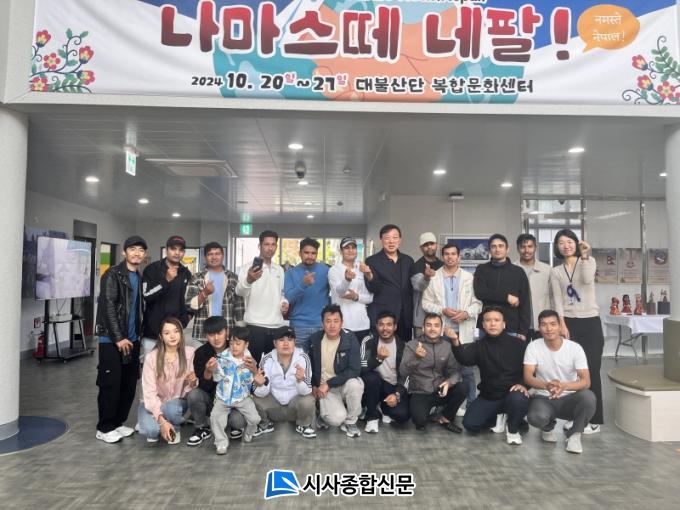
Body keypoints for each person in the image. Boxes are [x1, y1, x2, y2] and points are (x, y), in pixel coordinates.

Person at [550, 229, 604, 433]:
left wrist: (585, 256)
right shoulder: (556, 271)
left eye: (570, 241)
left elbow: (588, 279)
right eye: (561, 242)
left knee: (591, 370)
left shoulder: (588, 262)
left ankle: (594, 420)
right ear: (557, 247)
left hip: (590, 322)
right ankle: (576, 416)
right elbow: (558, 300)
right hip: (569, 323)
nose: (566, 246)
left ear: (577, 243)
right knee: (572, 372)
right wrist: (561, 324)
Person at [95, 236, 147, 443]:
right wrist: (118, 338)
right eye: (132, 249)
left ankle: (117, 423)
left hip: (132, 340)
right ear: (124, 252)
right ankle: (104, 427)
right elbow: (108, 306)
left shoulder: (139, 277)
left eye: (140, 250)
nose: (136, 253)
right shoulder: (112, 274)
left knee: (128, 385)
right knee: (111, 384)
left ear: (144, 254)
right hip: (112, 341)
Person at [451, 306, 529, 445]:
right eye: (488, 320)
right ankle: (502, 415)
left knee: (518, 398)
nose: (492, 324)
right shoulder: (479, 345)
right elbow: (465, 359)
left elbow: (530, 370)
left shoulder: (518, 344)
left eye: (497, 320)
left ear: (503, 324)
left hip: (513, 393)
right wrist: (455, 342)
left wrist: (523, 384)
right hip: (490, 396)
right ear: (483, 324)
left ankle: (513, 428)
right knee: (470, 424)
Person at [524, 309, 596, 454]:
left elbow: (586, 381)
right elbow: (528, 377)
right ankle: (547, 427)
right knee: (535, 417)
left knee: (588, 397)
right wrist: (546, 385)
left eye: (553, 324)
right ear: (539, 327)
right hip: (544, 397)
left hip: (569, 397)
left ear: (560, 326)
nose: (549, 328)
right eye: (544, 324)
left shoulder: (574, 348)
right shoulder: (533, 346)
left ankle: (574, 435)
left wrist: (564, 386)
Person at [422, 242, 482, 406]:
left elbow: (478, 304)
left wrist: (466, 313)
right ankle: (444, 405)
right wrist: (442, 310)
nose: (450, 257)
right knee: (441, 369)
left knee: (467, 370)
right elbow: (425, 303)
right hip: (442, 331)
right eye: (446, 254)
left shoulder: (470, 278)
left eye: (453, 254)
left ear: (459, 257)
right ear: (442, 257)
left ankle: (471, 403)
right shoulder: (434, 277)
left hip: (464, 331)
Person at [185, 316, 247, 447]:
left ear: (227, 332)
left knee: (237, 421)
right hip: (212, 401)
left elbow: (246, 380)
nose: (216, 338)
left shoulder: (237, 348)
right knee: (194, 394)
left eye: (219, 333)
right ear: (206, 336)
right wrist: (208, 372)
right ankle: (202, 427)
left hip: (234, 402)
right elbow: (203, 387)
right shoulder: (201, 353)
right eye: (211, 334)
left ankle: (232, 424)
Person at [400, 313, 466, 433]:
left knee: (463, 387)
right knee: (420, 423)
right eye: (429, 325)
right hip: (420, 391)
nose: (432, 329)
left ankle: (445, 417)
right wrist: (416, 358)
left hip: (440, 390)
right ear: (423, 328)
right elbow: (403, 372)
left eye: (436, 325)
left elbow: (456, 371)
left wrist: (449, 382)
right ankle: (432, 410)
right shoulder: (412, 345)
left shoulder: (447, 346)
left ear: (441, 329)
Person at [137, 317, 198, 444]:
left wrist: (192, 381)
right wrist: (162, 421)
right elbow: (149, 393)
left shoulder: (190, 353)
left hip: (176, 404)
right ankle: (162, 423)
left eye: (176, 331)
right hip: (154, 403)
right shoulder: (152, 357)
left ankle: (175, 427)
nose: (172, 336)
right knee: (151, 432)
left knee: (171, 409)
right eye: (167, 333)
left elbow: (192, 389)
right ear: (161, 336)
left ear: (181, 333)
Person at [309, 304, 364, 438]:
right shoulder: (315, 339)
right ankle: (323, 413)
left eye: (336, 321)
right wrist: (314, 385)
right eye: (328, 321)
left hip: (343, 383)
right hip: (325, 388)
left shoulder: (350, 338)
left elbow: (355, 369)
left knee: (356, 385)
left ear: (342, 323)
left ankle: (351, 421)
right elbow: (309, 365)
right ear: (322, 324)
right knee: (336, 419)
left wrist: (329, 383)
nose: (332, 325)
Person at [253, 326, 317, 439]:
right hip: (274, 407)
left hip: (295, 407)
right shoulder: (267, 359)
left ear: (295, 342)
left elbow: (307, 390)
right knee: (255, 398)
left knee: (308, 399)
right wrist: (261, 384)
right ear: (275, 343)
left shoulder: (303, 357)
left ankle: (303, 424)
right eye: (281, 340)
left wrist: (300, 380)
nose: (286, 344)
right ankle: (265, 424)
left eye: (290, 340)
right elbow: (261, 393)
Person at [236, 230, 288, 364]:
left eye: (273, 245)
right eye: (266, 244)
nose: (270, 248)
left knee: (274, 367)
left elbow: (281, 294)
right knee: (252, 366)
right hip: (255, 326)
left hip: (276, 326)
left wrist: (284, 303)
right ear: (259, 246)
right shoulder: (247, 268)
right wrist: (249, 279)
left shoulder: (279, 269)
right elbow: (239, 292)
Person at [210, 326, 261, 455]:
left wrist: (251, 371)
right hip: (223, 397)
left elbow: (250, 383)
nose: (234, 346)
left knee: (255, 419)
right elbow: (217, 378)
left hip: (243, 397)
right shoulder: (222, 358)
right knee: (215, 417)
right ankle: (221, 443)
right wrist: (214, 369)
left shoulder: (250, 361)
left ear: (246, 344)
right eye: (232, 343)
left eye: (238, 343)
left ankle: (249, 433)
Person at [141, 235, 192, 359]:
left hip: (175, 333)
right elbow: (146, 295)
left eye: (181, 250)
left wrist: (185, 320)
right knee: (150, 366)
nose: (177, 253)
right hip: (152, 332)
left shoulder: (186, 273)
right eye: (173, 249)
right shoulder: (152, 269)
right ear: (166, 250)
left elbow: (188, 300)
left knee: (173, 367)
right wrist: (166, 280)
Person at [359, 311, 410, 433]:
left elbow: (407, 375)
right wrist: (378, 359)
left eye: (389, 325)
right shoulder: (369, 340)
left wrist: (397, 394)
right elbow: (361, 367)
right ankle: (372, 417)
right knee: (372, 378)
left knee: (402, 416)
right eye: (381, 324)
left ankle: (382, 407)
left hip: (392, 387)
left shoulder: (403, 346)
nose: (385, 328)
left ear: (395, 327)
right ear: (376, 326)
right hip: (373, 385)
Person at [473, 234, 531, 340]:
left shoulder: (518, 272)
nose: (497, 249)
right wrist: (506, 297)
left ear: (507, 249)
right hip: (486, 327)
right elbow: (480, 292)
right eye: (493, 246)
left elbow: (525, 303)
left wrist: (523, 331)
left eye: (501, 246)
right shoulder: (482, 269)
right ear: (489, 250)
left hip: (511, 327)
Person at [185, 242, 244, 345]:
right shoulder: (197, 278)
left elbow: (239, 306)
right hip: (202, 334)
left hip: (227, 333)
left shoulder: (233, 278)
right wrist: (204, 293)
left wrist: (239, 331)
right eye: (210, 254)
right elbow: (189, 305)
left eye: (217, 254)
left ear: (223, 256)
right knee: (201, 356)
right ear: (205, 257)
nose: (214, 257)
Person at [364, 224, 415, 341]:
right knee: (382, 348)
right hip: (383, 316)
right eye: (387, 238)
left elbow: (412, 288)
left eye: (395, 237)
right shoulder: (372, 261)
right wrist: (370, 276)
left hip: (405, 316)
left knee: (404, 348)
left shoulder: (408, 260)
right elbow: (374, 288)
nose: (391, 241)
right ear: (381, 240)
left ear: (400, 240)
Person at [284, 238, 330, 352]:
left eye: (313, 253)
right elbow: (288, 298)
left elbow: (337, 292)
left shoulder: (326, 271)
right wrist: (303, 284)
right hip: (298, 326)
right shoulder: (290, 273)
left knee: (320, 361)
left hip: (321, 325)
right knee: (297, 360)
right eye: (306, 253)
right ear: (300, 253)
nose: (310, 256)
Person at [328, 237, 373, 344]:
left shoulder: (362, 269)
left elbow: (370, 298)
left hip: (363, 324)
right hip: (343, 325)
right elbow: (340, 292)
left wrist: (356, 296)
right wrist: (347, 279)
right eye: (347, 248)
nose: (350, 250)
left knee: (363, 354)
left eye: (353, 247)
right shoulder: (334, 270)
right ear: (341, 251)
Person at [516, 233, 553, 339]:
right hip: (519, 325)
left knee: (542, 350)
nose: (526, 250)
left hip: (543, 324)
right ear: (518, 249)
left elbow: (553, 297)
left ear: (535, 248)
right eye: (523, 247)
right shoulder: (512, 269)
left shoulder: (547, 270)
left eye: (530, 246)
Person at [410, 232, 443, 338]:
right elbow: (418, 286)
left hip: (441, 315)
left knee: (441, 346)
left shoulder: (442, 265)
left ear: (437, 245)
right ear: (421, 248)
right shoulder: (416, 266)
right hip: (422, 317)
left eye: (432, 244)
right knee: (421, 345)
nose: (429, 247)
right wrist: (426, 277)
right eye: (425, 245)